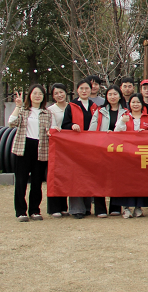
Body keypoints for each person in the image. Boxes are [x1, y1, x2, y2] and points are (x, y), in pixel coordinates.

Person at [8, 84, 51, 222]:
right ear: (30, 96)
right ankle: (21, 211)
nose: (37, 96)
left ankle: (34, 210)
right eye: (35, 93)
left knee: (37, 182)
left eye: (40, 94)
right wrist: (18, 106)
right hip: (23, 147)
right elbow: (11, 123)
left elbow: (52, 129)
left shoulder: (47, 113)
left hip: (41, 148)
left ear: (44, 97)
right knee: (21, 181)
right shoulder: (23, 111)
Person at [61, 79, 100, 219]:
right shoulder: (71, 106)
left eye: (87, 88)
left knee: (88, 175)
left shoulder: (95, 106)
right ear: (77, 90)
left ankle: (87, 207)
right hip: (75, 146)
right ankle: (76, 209)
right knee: (76, 176)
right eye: (81, 88)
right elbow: (64, 124)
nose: (84, 91)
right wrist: (72, 125)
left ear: (91, 90)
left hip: (91, 145)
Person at [90, 85, 124, 217]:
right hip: (101, 149)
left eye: (115, 94)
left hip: (119, 150)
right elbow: (92, 130)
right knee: (99, 178)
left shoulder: (126, 112)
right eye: (110, 94)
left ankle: (115, 206)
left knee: (117, 178)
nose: (112, 97)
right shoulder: (99, 112)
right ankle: (100, 208)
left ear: (120, 96)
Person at [114, 94, 148, 218]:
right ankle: (126, 207)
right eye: (133, 102)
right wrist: (122, 122)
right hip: (126, 155)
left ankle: (138, 207)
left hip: (142, 155)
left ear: (142, 104)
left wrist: (145, 134)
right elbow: (116, 132)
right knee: (126, 181)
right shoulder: (124, 116)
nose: (135, 104)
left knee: (140, 181)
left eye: (138, 102)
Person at [45, 83, 70, 218]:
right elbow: (52, 126)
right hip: (56, 146)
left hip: (69, 147)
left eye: (61, 92)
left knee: (65, 176)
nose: (59, 95)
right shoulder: (50, 110)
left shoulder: (72, 107)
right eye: (56, 93)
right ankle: (54, 207)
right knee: (55, 175)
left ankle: (63, 206)